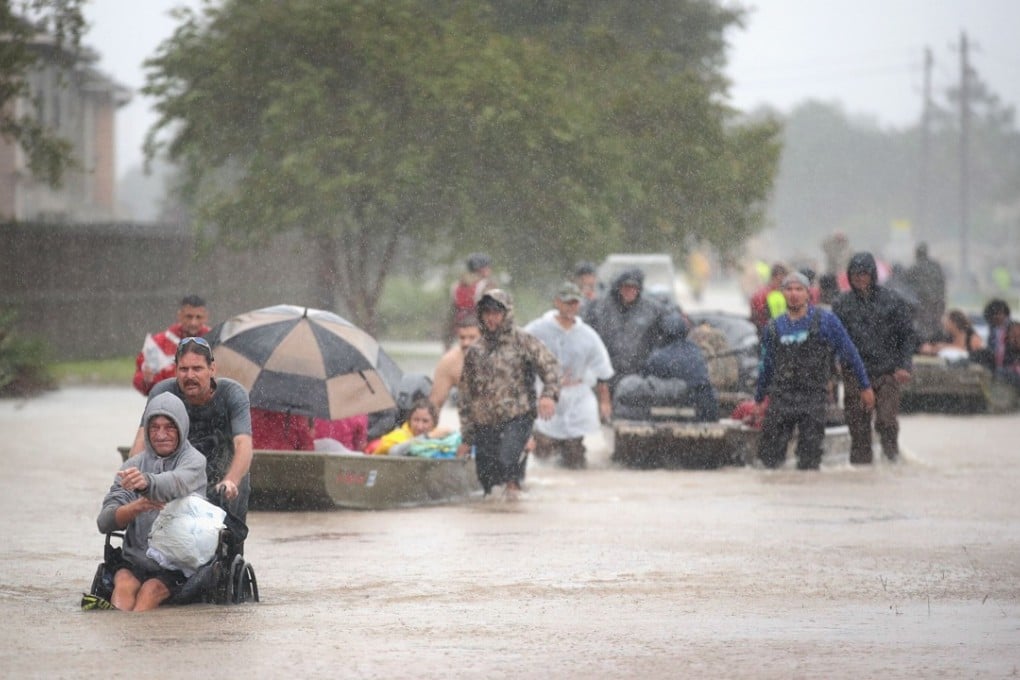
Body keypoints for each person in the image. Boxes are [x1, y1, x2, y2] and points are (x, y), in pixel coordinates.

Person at [96, 392, 208, 611]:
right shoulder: (132, 466)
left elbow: (175, 482)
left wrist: (147, 484)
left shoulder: (194, 461)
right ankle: (120, 639)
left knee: (149, 590)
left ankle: (141, 640)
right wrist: (134, 508)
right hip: (135, 559)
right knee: (124, 586)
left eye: (169, 427)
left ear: (182, 428)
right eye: (154, 428)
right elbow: (104, 521)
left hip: (178, 564)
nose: (161, 435)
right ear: (146, 431)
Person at [754, 272, 875, 470]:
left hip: (813, 397)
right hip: (781, 397)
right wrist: (759, 399)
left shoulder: (826, 321)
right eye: (789, 289)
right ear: (783, 293)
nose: (794, 294)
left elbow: (850, 353)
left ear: (808, 294)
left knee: (809, 460)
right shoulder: (773, 328)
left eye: (799, 289)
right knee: (769, 460)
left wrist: (865, 386)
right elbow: (766, 365)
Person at [129, 336, 254, 524]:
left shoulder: (232, 394)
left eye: (197, 369)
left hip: (222, 480)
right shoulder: (163, 392)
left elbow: (244, 445)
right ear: (175, 370)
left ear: (212, 369)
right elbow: (141, 442)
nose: (190, 376)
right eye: (184, 369)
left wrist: (231, 480)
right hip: (176, 476)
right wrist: (135, 479)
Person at [456, 289, 560, 498]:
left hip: (517, 417)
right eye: (486, 313)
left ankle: (516, 506)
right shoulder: (475, 351)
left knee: (507, 463)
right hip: (484, 422)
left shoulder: (524, 341)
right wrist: (467, 438)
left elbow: (551, 367)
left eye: (496, 312)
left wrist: (548, 395)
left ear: (507, 313)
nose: (491, 318)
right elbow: (466, 395)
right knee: (488, 484)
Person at [833, 252, 915, 464]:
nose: (860, 278)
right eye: (855, 274)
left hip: (887, 372)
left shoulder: (892, 301)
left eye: (864, 274)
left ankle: (891, 461)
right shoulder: (842, 304)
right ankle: (862, 473)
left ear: (873, 274)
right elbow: (834, 339)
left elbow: (906, 335)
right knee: (858, 427)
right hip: (855, 374)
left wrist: (904, 366)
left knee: (887, 421)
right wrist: (834, 366)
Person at [524, 281, 614, 469]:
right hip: (546, 395)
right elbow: (518, 355)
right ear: (557, 302)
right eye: (567, 302)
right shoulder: (537, 329)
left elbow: (603, 370)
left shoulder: (588, 335)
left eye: (575, 302)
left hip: (577, 396)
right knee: (544, 448)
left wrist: (604, 402)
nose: (572, 307)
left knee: (574, 452)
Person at [582, 268, 670, 392]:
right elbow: (586, 335)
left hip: (638, 375)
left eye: (634, 288)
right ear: (618, 288)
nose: (630, 291)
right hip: (605, 374)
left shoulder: (652, 309)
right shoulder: (600, 308)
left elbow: (667, 332)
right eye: (626, 287)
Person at [643, 312, 719, 422]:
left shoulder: (658, 357)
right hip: (705, 409)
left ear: (663, 332)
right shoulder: (695, 350)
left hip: (677, 412)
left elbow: (648, 381)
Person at [133, 295, 211, 396]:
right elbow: (140, 380)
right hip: (168, 405)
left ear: (206, 317)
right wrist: (146, 381)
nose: (193, 322)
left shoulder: (216, 342)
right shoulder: (158, 344)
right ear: (180, 315)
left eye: (198, 317)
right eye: (189, 316)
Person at [445, 252, 497, 347]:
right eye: (488, 266)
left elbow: (451, 316)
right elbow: (494, 314)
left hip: (461, 334)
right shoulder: (486, 285)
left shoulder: (456, 286)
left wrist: (447, 343)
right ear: (481, 269)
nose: (490, 269)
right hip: (480, 333)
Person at [430, 317, 482, 410]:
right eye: (462, 338)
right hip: (470, 420)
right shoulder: (449, 362)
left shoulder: (499, 357)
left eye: (472, 338)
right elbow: (435, 404)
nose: (466, 343)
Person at [367, 399, 450, 455]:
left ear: (434, 423)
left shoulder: (441, 438)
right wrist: (426, 437)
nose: (420, 426)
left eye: (425, 421)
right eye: (416, 420)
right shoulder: (398, 436)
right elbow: (394, 452)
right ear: (409, 420)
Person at [905, 242, 946, 344]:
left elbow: (906, 283)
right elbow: (942, 282)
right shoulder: (935, 266)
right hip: (937, 301)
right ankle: (935, 341)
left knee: (924, 323)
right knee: (935, 322)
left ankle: (925, 342)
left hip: (923, 301)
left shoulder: (915, 268)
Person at [980, 299, 1020, 389]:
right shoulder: (993, 330)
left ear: (1003, 313)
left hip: (1012, 368)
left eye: (996, 315)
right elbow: (991, 349)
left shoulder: (1015, 327)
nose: (994, 319)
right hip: (998, 367)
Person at [918, 309, 985, 359]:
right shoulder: (944, 336)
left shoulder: (972, 338)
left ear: (954, 323)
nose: (944, 325)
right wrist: (931, 349)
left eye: (946, 323)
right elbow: (926, 347)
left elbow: (977, 357)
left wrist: (947, 347)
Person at [749, 263, 788, 337]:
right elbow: (758, 315)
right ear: (776, 277)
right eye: (782, 281)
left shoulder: (760, 293)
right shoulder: (764, 294)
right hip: (769, 333)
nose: (783, 284)